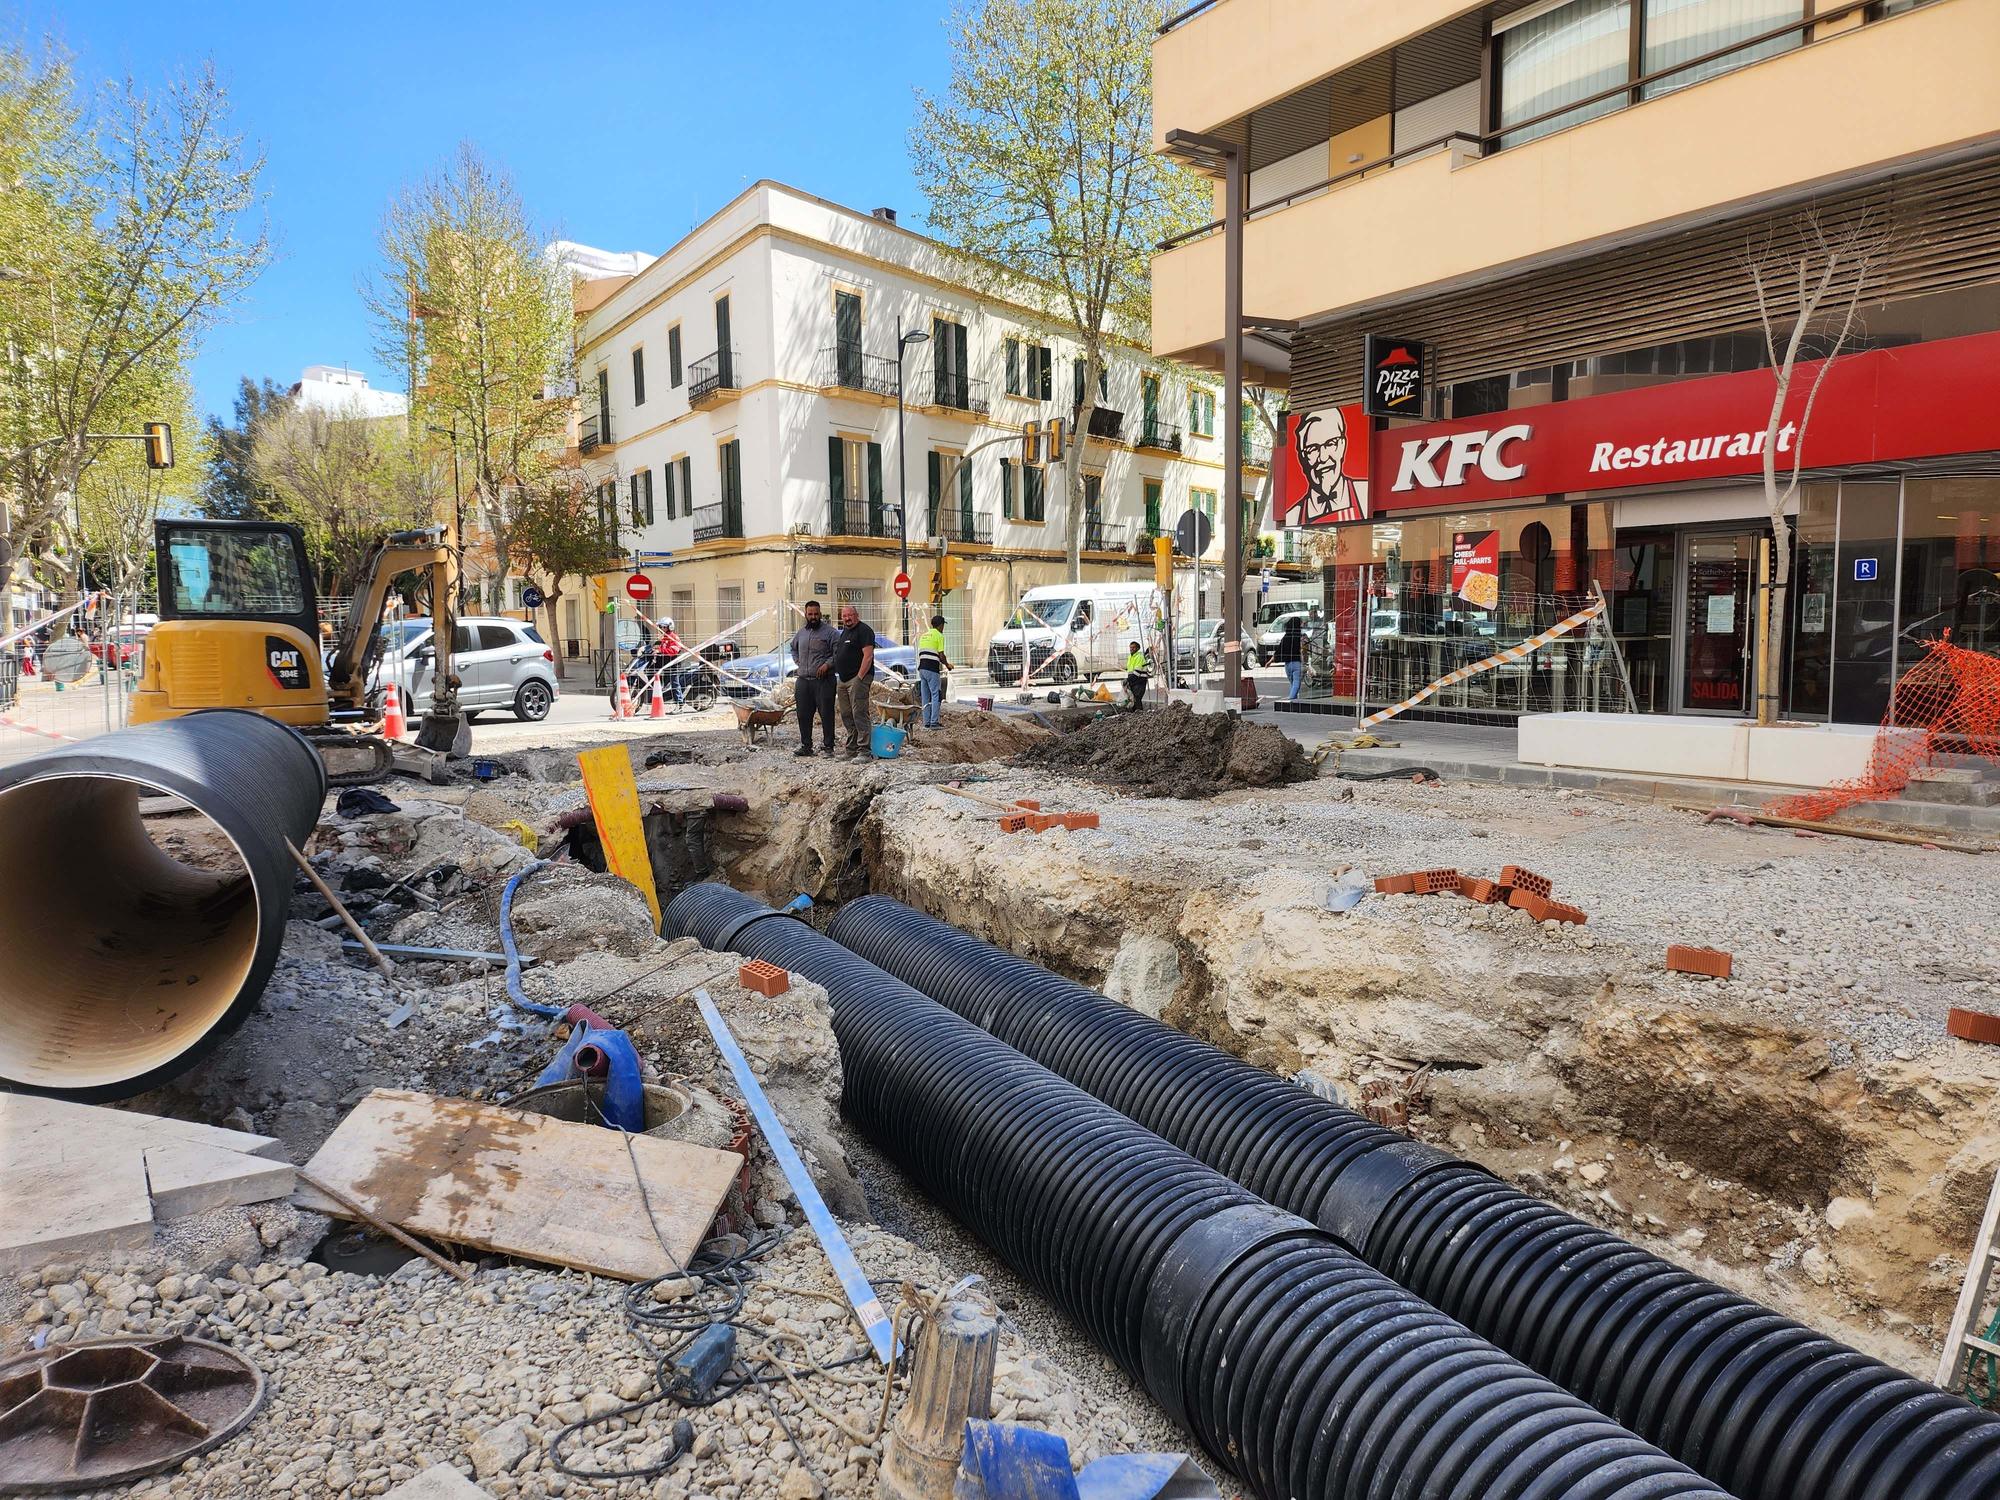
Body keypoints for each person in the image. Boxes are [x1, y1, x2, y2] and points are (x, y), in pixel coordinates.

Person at [1295, 407, 1368, 525]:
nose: (1323, 457)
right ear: (1303, 456)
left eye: (1330, 444)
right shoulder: (1294, 515)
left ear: (1342, 445)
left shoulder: (1364, 494)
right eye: (1313, 449)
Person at [788, 601, 838, 757]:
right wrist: (797, 661)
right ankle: (806, 746)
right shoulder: (801, 633)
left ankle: (828, 747)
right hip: (803, 680)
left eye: (816, 614)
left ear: (820, 614)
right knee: (803, 714)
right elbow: (793, 648)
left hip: (824, 681)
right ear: (805, 614)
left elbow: (838, 653)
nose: (813, 617)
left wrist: (827, 665)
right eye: (810, 614)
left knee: (826, 713)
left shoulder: (830, 633)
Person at [832, 604, 876, 758]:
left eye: (850, 615)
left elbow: (868, 656)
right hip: (843, 680)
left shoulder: (864, 631)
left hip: (858, 678)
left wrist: (860, 678)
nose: (847, 618)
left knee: (859, 712)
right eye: (844, 616)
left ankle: (864, 751)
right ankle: (851, 749)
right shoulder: (844, 632)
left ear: (856, 615)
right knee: (846, 714)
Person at [916, 614, 951, 730]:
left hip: (922, 669)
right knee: (936, 694)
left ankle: (926, 722)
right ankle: (934, 722)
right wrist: (947, 665)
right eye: (943, 626)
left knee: (925, 696)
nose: (943, 628)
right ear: (940, 625)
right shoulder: (939, 636)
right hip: (932, 669)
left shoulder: (924, 636)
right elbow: (941, 655)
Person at [1277, 613, 1306, 701]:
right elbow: (1303, 649)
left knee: (1292, 683)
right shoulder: (1300, 637)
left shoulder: (1286, 637)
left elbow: (1279, 650)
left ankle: (1294, 700)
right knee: (1296, 684)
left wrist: (1270, 661)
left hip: (1287, 664)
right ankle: (1291, 700)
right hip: (1296, 663)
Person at [1124, 640, 1150, 711]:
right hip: (1133, 681)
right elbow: (1130, 671)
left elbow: (1137, 672)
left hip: (1139, 681)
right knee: (1133, 699)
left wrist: (1127, 680)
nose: (1131, 649)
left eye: (1133, 647)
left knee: (1137, 699)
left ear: (1137, 648)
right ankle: (1135, 715)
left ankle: (1139, 714)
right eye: (1130, 647)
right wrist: (1128, 680)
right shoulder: (1130, 657)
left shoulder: (1139, 657)